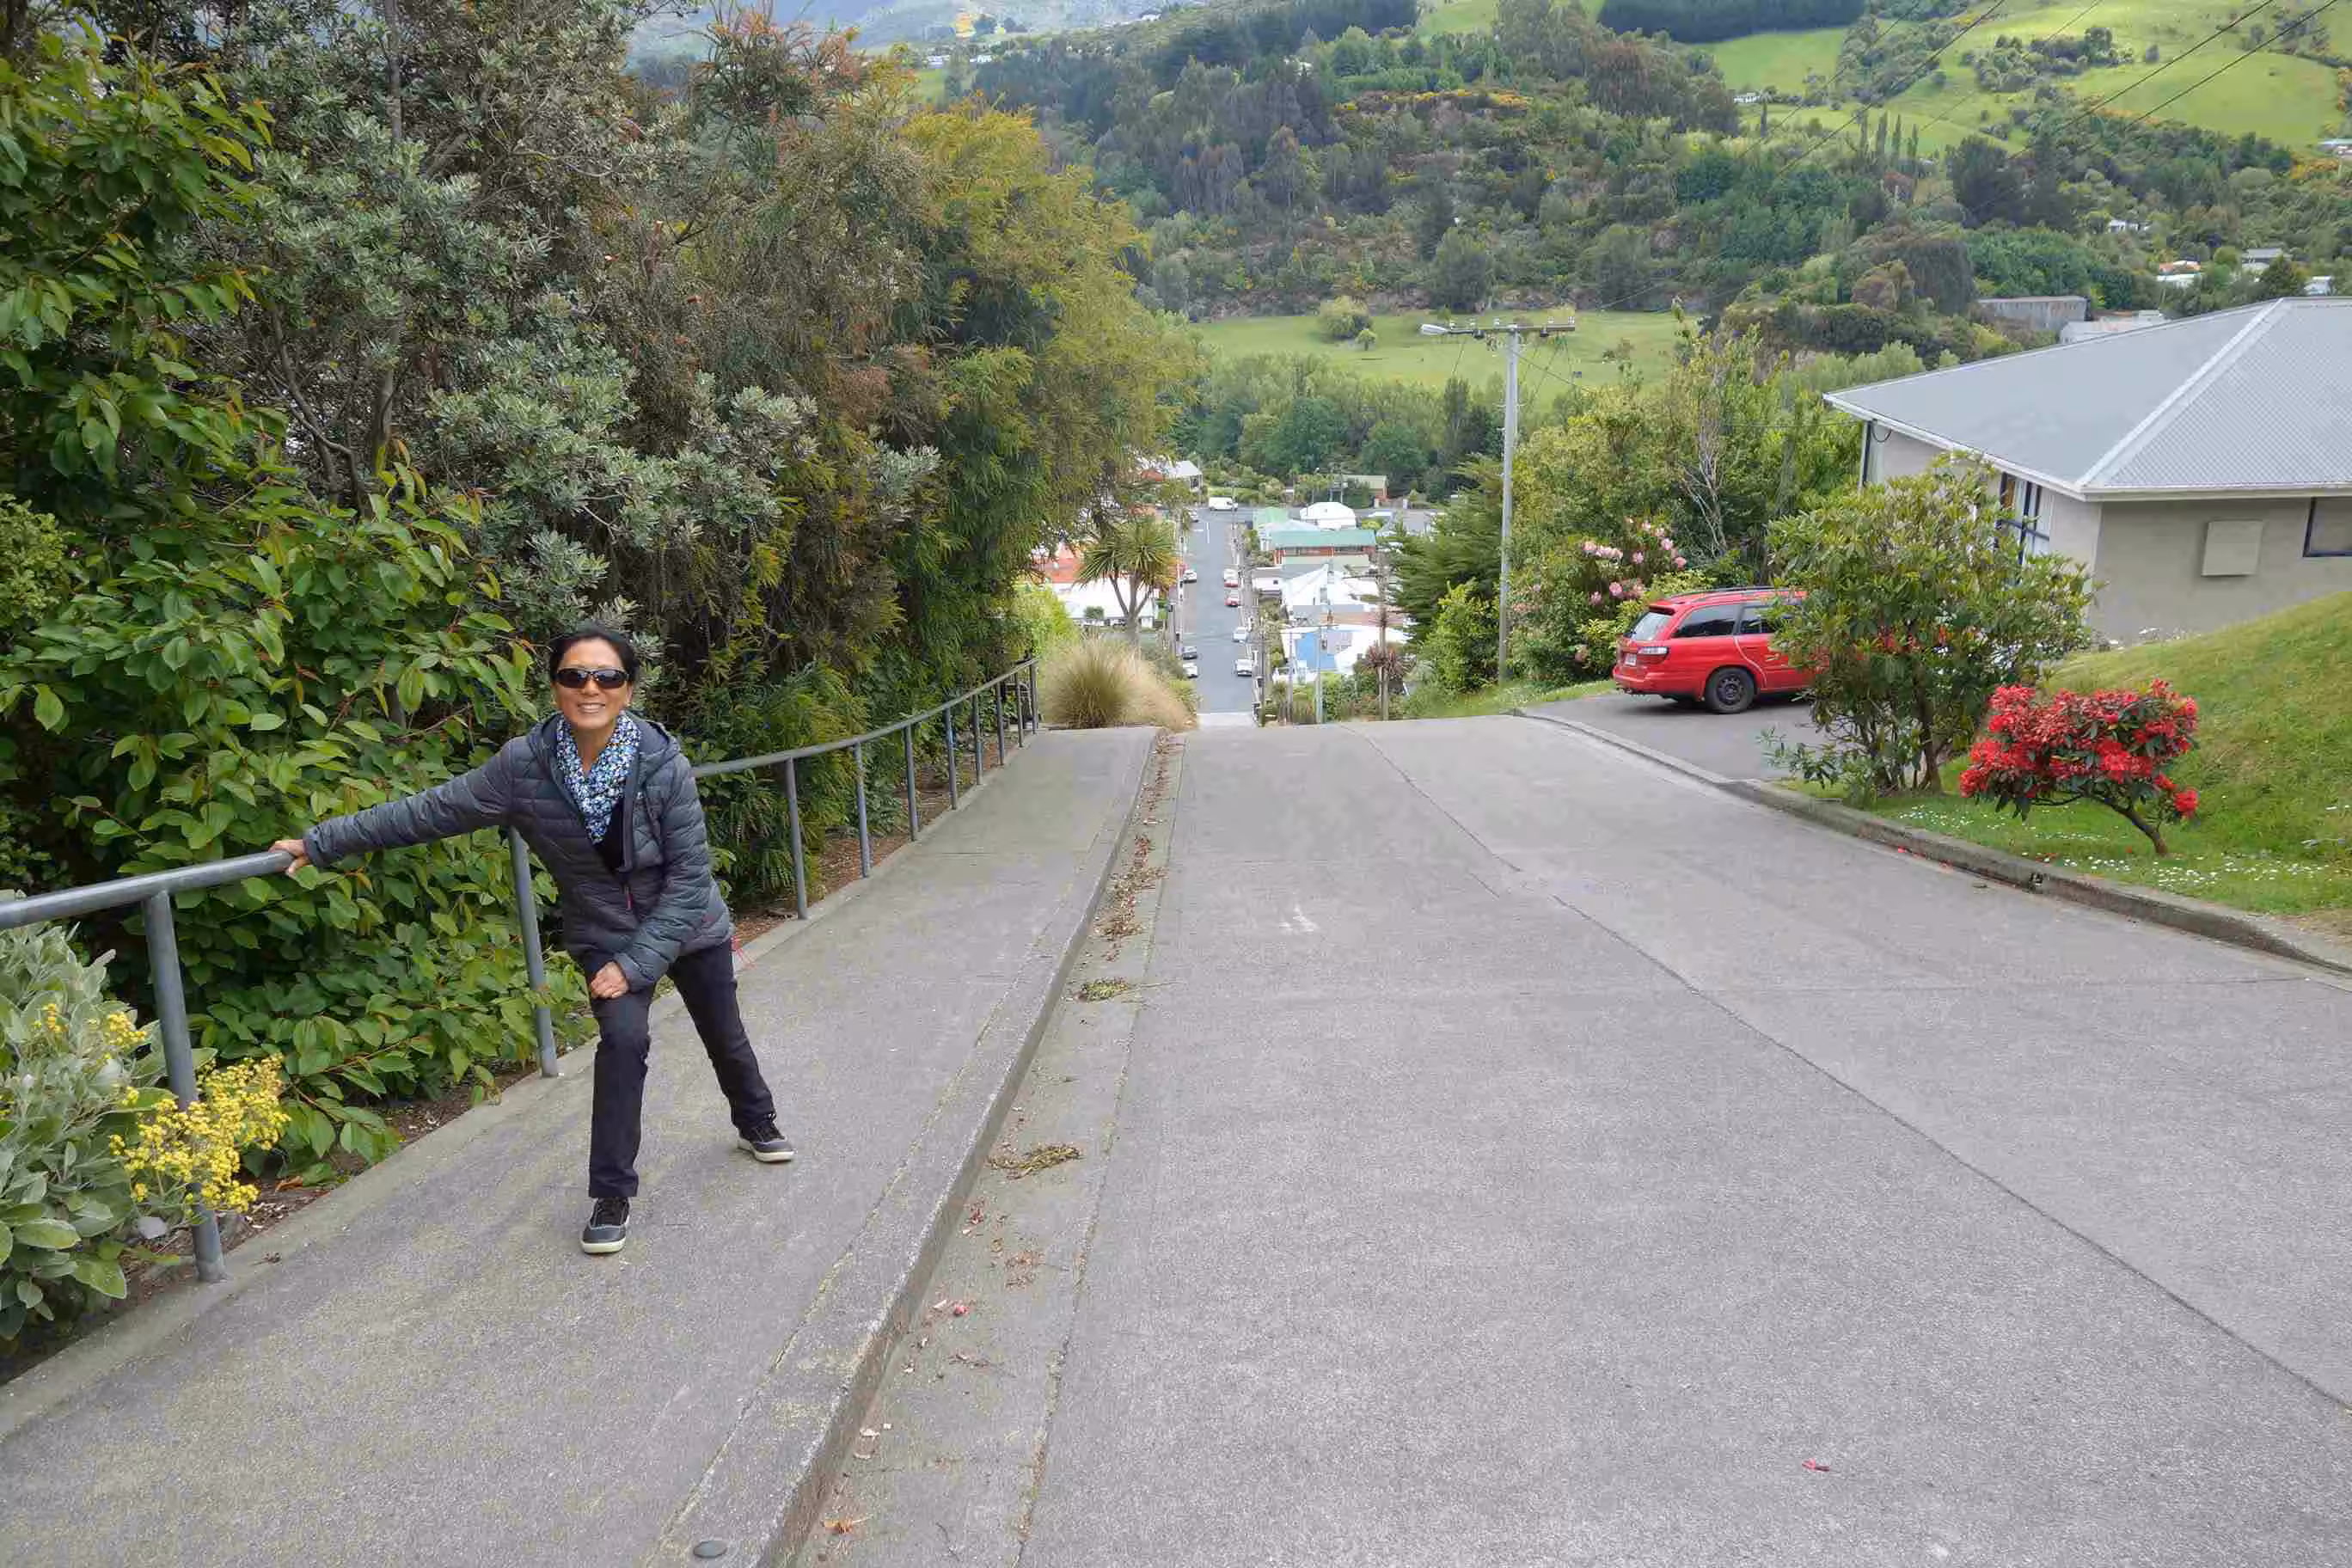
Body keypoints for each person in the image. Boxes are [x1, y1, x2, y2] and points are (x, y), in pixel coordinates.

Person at [273, 625, 793, 1256]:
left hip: (689, 923)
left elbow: (690, 879)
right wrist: (322, 843)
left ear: (628, 691)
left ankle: (756, 1120)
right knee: (623, 1041)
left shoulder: (663, 764)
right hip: (603, 929)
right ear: (554, 688)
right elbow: (430, 810)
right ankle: (611, 1193)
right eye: (575, 676)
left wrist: (635, 965)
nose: (590, 688)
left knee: (723, 1033)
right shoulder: (523, 767)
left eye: (607, 677)